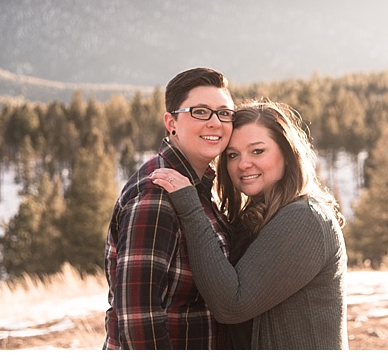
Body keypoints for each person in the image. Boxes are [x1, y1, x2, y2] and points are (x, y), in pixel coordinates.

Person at [151, 100, 348, 349]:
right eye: (233, 155)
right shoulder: (256, 219)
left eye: (257, 151)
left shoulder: (304, 218)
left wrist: (191, 208)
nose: (243, 164)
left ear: (287, 154)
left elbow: (231, 305)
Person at [104, 67, 238, 349]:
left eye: (224, 113)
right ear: (171, 122)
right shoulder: (158, 191)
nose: (215, 123)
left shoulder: (195, 187)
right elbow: (138, 317)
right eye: (200, 111)